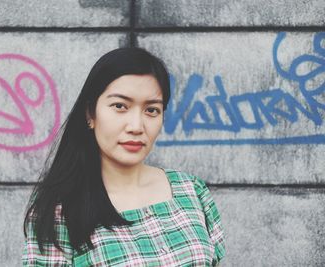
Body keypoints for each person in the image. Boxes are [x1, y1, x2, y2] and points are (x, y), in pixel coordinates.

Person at [22, 47, 225, 266]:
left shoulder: (191, 190)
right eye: (120, 106)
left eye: (151, 110)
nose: (137, 126)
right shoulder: (60, 209)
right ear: (90, 113)